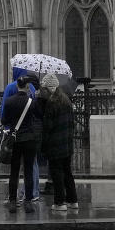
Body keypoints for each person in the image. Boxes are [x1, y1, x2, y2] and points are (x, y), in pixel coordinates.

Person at [0, 74, 43, 211]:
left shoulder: (9, 101)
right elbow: (39, 117)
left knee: (14, 171)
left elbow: (4, 120)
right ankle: (28, 201)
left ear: (17, 85)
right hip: (29, 139)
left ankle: (13, 201)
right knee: (28, 171)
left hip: (15, 138)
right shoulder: (32, 102)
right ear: (26, 87)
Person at [37, 72, 78, 210]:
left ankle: (59, 202)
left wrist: (43, 146)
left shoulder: (51, 103)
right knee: (67, 172)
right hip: (66, 143)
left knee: (57, 174)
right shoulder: (66, 100)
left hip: (55, 144)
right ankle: (73, 200)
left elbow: (47, 127)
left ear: (48, 89)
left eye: (44, 89)